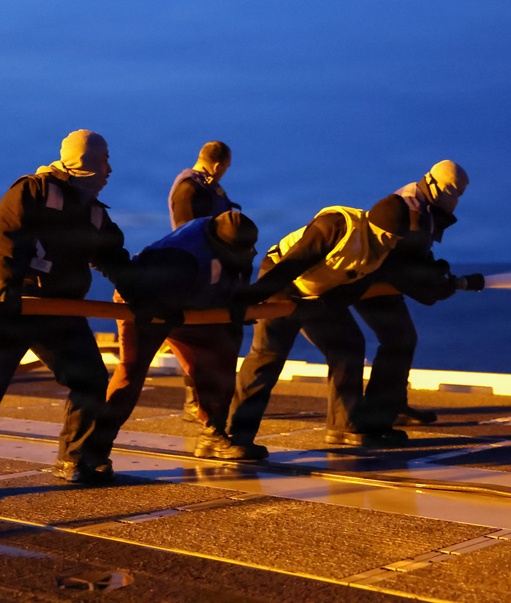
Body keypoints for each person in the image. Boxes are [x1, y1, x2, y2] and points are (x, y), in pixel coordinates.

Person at [0, 129, 133, 503]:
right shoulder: (33, 191)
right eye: (104, 161)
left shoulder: (95, 214)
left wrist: (144, 295)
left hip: (62, 312)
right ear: (86, 162)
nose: (109, 170)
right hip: (14, 306)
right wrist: (6, 286)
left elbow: (116, 261)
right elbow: (6, 234)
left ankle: (77, 460)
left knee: (90, 380)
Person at [226, 194, 412, 454]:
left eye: (395, 239)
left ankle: (344, 427)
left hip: (319, 292)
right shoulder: (336, 225)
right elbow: (292, 265)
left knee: (348, 345)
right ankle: (235, 437)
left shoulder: (383, 249)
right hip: (281, 280)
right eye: (386, 237)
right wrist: (249, 302)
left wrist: (321, 306)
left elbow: (353, 289)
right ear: (372, 226)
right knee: (268, 355)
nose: (389, 244)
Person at [93, 211, 264, 461]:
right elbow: (139, 288)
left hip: (190, 304)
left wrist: (238, 300)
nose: (251, 253)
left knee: (218, 358)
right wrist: (154, 309)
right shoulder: (178, 256)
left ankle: (212, 435)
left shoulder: (233, 241)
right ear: (221, 246)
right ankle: (94, 446)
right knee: (131, 372)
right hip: (145, 302)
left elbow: (240, 271)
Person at [354, 160, 484, 429]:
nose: (456, 201)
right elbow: (405, 271)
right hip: (371, 283)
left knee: (402, 339)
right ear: (436, 186)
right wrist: (441, 287)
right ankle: (377, 413)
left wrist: (435, 274)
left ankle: (393, 407)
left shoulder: (419, 201)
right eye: (453, 193)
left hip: (381, 279)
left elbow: (413, 259)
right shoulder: (416, 213)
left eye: (460, 195)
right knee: (397, 340)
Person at [166, 140, 240, 423]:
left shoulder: (207, 187)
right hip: (198, 274)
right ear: (218, 165)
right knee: (199, 337)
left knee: (219, 334)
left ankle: (209, 400)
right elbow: (187, 234)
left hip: (215, 271)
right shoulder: (189, 189)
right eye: (226, 168)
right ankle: (195, 401)